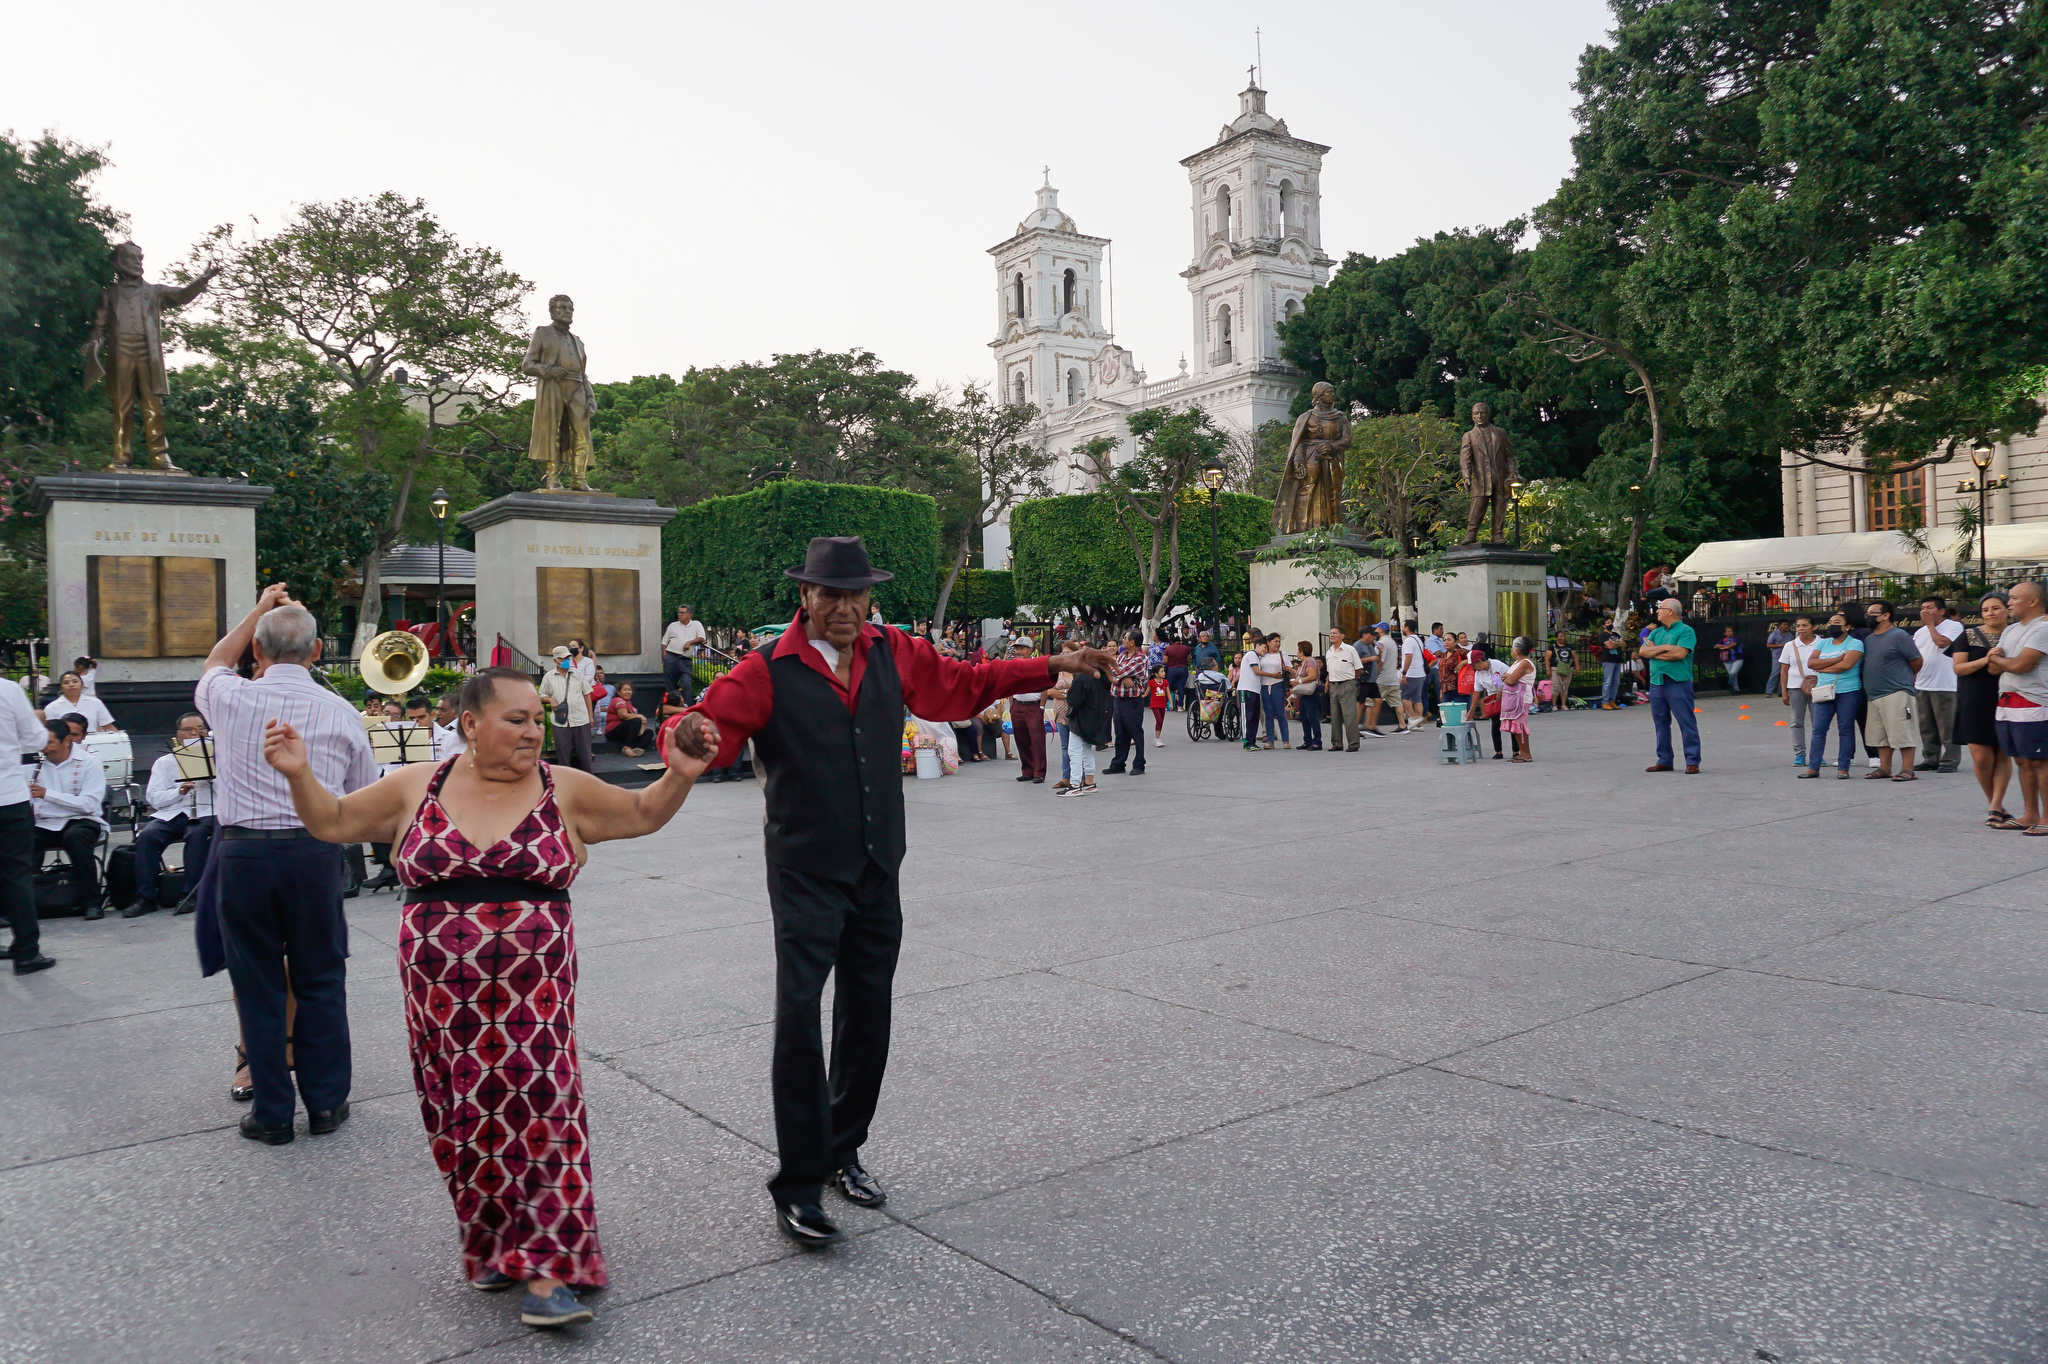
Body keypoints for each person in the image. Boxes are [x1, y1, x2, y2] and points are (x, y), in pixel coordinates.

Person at [661, 537, 1112, 1248]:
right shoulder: (765, 669)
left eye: (855, 595)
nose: (844, 608)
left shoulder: (892, 650)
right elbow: (704, 731)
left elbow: (964, 684)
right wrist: (682, 740)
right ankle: (800, 1185)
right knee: (802, 1018)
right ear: (803, 598)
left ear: (870, 597)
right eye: (829, 595)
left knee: (868, 1015)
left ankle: (845, 1151)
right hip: (806, 870)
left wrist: (1054, 662)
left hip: (877, 866)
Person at [264, 667, 719, 1330]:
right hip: (440, 997)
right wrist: (299, 773)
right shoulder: (417, 784)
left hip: (536, 992)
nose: (533, 732)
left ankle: (547, 1268)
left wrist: (677, 773)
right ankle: (489, 1241)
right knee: (462, 1113)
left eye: (537, 719)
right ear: (470, 724)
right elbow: (332, 822)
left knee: (545, 1107)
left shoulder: (562, 788)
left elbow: (644, 812)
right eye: (516, 720)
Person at [196, 584, 377, 1147]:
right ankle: (326, 1102)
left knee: (256, 980)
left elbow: (215, 663)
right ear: (319, 652)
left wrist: (258, 609)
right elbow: (362, 795)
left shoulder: (230, 697)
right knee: (321, 976)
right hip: (314, 852)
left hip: (244, 852)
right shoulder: (342, 711)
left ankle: (273, 1112)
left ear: (258, 650)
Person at [120, 711, 215, 917]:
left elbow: (229, 794)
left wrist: (211, 780)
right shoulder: (164, 762)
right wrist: (179, 791)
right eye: (188, 730)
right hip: (173, 812)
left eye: (199, 729)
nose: (193, 734)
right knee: (147, 837)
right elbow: (154, 798)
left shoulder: (218, 758)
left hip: (206, 811)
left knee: (196, 835)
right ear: (178, 735)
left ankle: (189, 894)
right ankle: (146, 896)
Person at [1987, 579, 2048, 834]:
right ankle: (2030, 813)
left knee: (2040, 762)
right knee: (2022, 761)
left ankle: (2046, 817)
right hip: (2008, 702)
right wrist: (2000, 660)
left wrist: (1999, 659)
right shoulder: (2011, 631)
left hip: (2034, 702)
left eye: (2013, 598)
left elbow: (2022, 665)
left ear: (2033, 601)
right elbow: (1992, 667)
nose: (2008, 603)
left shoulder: (2042, 628)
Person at [0, 665, 50, 973]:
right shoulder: (8, 690)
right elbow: (35, 740)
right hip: (7, 796)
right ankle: (27, 951)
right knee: (16, 874)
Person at [31, 716, 107, 919]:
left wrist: (47, 794)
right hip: (46, 822)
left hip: (83, 820)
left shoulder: (89, 763)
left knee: (75, 837)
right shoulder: (35, 764)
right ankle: (21, 904)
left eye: (49, 742)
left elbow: (89, 804)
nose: (44, 748)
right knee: (20, 840)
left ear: (67, 741)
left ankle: (91, 901)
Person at [1952, 592, 2015, 826]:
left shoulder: (2016, 634)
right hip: (1974, 700)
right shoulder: (1968, 635)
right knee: (1981, 757)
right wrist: (1986, 659)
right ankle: (1995, 803)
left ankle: (1995, 806)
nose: (1990, 613)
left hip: (2009, 698)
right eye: (1986, 609)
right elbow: (1959, 668)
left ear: (2007, 609)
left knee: (2002, 753)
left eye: (1996, 608)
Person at [1859, 600, 1921, 780]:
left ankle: (1908, 770)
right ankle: (1885, 768)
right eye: (1867, 613)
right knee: (1880, 735)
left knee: (1902, 732)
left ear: (1886, 615)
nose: (1868, 616)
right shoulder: (1869, 639)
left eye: (1873, 613)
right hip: (1874, 694)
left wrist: (1905, 680)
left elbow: (1917, 661)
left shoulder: (1899, 635)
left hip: (1897, 692)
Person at [1639, 597, 1701, 773]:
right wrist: (1666, 648)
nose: (1657, 611)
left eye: (1660, 608)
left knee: (1686, 721)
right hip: (1657, 681)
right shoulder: (1656, 632)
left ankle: (1692, 760)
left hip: (1677, 681)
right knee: (1660, 722)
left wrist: (1655, 651)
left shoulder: (1686, 631)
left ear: (1670, 611)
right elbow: (1643, 651)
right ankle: (1664, 759)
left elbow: (1680, 654)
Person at [1800, 611, 1865, 779]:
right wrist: (1836, 660)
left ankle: (1843, 768)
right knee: (1818, 729)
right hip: (1824, 691)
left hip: (1848, 691)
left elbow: (1846, 666)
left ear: (1848, 626)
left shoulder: (1855, 643)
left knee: (1845, 729)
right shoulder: (1824, 643)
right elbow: (1811, 663)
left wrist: (1822, 667)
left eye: (1837, 622)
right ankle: (1813, 767)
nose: (1832, 625)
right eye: (1830, 622)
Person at [1912, 596, 1964, 773]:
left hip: (1945, 684)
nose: (1925, 611)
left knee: (1947, 726)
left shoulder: (1953, 626)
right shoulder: (1919, 632)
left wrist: (1930, 626)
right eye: (1923, 607)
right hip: (1923, 683)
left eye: (1930, 607)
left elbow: (1942, 642)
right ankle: (1930, 758)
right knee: (1926, 726)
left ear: (1941, 611)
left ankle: (1949, 760)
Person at [539, 645, 595, 772]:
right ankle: (566, 784)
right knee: (563, 755)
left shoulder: (577, 674)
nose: (566, 660)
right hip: (560, 721)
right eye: (563, 658)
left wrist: (591, 716)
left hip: (581, 719)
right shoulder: (549, 676)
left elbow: (587, 695)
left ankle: (589, 783)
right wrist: (550, 700)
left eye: (568, 657)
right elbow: (541, 695)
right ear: (555, 660)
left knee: (585, 755)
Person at [1777, 616, 1821, 768]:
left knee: (1819, 722)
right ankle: (1799, 754)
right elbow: (1784, 670)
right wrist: (1784, 691)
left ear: (1813, 627)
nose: (1801, 628)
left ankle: (1818, 754)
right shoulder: (1790, 645)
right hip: (1795, 687)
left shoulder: (1822, 643)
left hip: (1818, 687)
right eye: (1798, 626)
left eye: (1805, 625)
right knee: (1797, 722)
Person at [1105, 630, 1151, 774]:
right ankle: (1118, 763)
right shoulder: (1122, 655)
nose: (1122, 640)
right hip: (1118, 699)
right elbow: (1115, 669)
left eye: (1125, 638)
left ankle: (1139, 764)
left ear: (1132, 642)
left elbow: (1117, 671)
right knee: (1120, 733)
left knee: (1135, 732)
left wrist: (1120, 675)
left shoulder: (1140, 658)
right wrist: (1123, 677)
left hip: (1132, 701)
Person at [1009, 637, 1048, 783]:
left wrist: (1042, 706)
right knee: (1021, 739)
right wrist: (1012, 704)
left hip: (1034, 705)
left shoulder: (1037, 665)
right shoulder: (1013, 666)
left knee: (1037, 740)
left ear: (1030, 650)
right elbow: (1009, 685)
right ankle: (1027, 770)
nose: (1019, 651)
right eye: (1017, 648)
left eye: (1022, 648)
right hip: (1018, 705)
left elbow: (1045, 687)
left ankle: (1039, 772)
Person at [1467, 645, 1509, 759]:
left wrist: (1499, 696)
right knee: (1495, 724)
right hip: (1493, 697)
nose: (1473, 668)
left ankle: (1516, 751)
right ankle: (1498, 751)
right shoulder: (1478, 674)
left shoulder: (1496, 665)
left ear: (1479, 661)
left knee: (1511, 723)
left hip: (1508, 693)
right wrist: (1471, 710)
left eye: (1473, 665)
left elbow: (1502, 683)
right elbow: (1477, 692)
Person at [1324, 627, 1362, 752]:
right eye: (1330, 633)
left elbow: (1358, 669)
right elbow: (1330, 670)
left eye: (1335, 633)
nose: (1331, 635)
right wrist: (1328, 682)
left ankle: (1353, 743)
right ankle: (1337, 743)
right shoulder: (1329, 651)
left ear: (1342, 636)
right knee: (1334, 716)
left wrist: (1351, 682)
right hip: (1333, 685)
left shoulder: (1350, 650)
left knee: (1349, 715)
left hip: (1347, 684)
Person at [1500, 637, 1537, 762]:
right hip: (1513, 698)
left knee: (1520, 726)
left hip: (1521, 699)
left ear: (1517, 649)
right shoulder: (1517, 663)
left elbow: (1510, 680)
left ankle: (1526, 754)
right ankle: (1522, 752)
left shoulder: (1525, 663)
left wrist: (1507, 676)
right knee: (1515, 727)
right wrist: (1507, 676)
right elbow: (1508, 677)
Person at [661, 604, 707, 703]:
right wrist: (665, 656)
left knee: (686, 683)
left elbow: (702, 638)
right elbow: (664, 642)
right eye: (678, 612)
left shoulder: (696, 624)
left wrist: (690, 642)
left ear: (689, 615)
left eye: (682, 612)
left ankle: (688, 706)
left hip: (685, 659)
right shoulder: (673, 625)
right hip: (671, 656)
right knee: (670, 685)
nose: (679, 614)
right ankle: (672, 707)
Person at [43, 671, 117, 732]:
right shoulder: (52, 707)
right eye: (66, 683)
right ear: (61, 688)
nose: (71, 685)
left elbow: (108, 726)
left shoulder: (95, 703)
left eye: (75, 681)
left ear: (82, 685)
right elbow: (51, 732)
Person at [1256, 633, 1291, 750]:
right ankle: (1270, 741)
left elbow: (1290, 668)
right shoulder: (1261, 655)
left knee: (1281, 713)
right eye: (1275, 641)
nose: (1278, 644)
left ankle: (1286, 740)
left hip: (1278, 685)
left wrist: (1290, 669)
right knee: (1268, 714)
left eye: (1279, 641)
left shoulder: (1282, 655)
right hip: (1265, 686)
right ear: (1269, 642)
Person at [1366, 624, 1400, 737]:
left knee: (1372, 701)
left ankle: (1370, 726)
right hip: (1393, 677)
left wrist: (1374, 675)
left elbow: (1379, 661)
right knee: (1397, 702)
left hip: (1382, 677)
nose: (1375, 630)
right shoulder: (1392, 642)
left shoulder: (1381, 643)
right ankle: (1403, 725)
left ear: (1381, 630)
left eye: (1376, 628)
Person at [604, 682, 653, 756]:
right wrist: (640, 716)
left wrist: (642, 724)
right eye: (625, 690)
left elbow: (640, 728)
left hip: (625, 732)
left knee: (649, 732)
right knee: (636, 720)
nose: (628, 692)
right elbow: (623, 715)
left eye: (629, 690)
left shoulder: (628, 703)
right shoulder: (618, 700)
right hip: (613, 732)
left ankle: (638, 749)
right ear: (619, 692)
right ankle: (627, 747)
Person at [1291, 641, 1323, 751]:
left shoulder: (1310, 661)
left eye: (1298, 650)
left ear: (1302, 651)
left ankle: (1317, 742)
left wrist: (1299, 681)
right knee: (1304, 717)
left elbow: (1312, 676)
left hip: (1311, 692)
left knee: (1312, 717)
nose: (1297, 652)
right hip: (1304, 693)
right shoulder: (1304, 662)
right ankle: (1307, 741)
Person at [1396, 626, 1428, 732]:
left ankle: (1414, 718)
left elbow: (1408, 657)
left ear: (1407, 628)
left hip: (1411, 673)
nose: (1402, 629)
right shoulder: (1418, 640)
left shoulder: (1408, 641)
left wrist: (1404, 673)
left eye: (1403, 627)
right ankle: (1418, 724)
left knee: (1404, 696)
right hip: (1420, 672)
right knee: (1417, 698)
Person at [1236, 643, 1264, 752]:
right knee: (1247, 716)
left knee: (1254, 717)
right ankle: (1246, 742)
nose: (1265, 650)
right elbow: (1256, 671)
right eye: (1264, 647)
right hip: (1246, 689)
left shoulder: (1258, 657)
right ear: (1257, 645)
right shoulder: (1251, 654)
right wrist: (1273, 675)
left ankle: (1252, 741)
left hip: (1255, 690)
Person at [1542, 636, 1575, 712]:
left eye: (1563, 636)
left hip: (1567, 668)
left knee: (1565, 687)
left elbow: (1574, 657)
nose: (1562, 638)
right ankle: (1554, 705)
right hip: (1555, 668)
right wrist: (1548, 669)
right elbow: (1547, 658)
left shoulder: (1569, 646)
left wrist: (1577, 666)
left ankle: (1563, 705)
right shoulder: (1552, 647)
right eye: (1560, 636)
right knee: (1555, 686)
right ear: (1556, 637)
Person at [432, 693, 467, 761]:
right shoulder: (436, 726)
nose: (437, 713)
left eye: (443, 710)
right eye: (437, 709)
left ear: (456, 713)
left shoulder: (462, 730)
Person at [1597, 628, 1627, 709]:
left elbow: (1624, 644)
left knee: (1616, 682)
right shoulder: (1603, 635)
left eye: (1610, 622)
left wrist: (1614, 644)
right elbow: (1610, 646)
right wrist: (1617, 643)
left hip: (1617, 660)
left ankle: (1612, 701)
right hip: (1608, 660)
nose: (1610, 624)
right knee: (1608, 681)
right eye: (1607, 622)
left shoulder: (1615, 634)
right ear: (1603, 625)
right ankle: (1605, 702)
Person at [1162, 634, 1192, 710]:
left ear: (1172, 641)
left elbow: (1165, 661)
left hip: (1171, 670)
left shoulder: (1168, 648)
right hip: (1183, 669)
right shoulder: (1186, 648)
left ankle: (1168, 705)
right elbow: (1189, 659)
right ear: (1180, 641)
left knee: (1168, 687)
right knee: (1181, 688)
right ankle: (1180, 706)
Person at [1764, 622, 1789, 696]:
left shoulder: (1789, 634)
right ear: (1779, 626)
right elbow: (1768, 645)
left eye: (1787, 625)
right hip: (1777, 656)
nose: (1785, 626)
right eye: (1784, 624)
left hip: (1787, 656)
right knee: (1775, 674)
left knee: (1784, 674)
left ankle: (1781, 692)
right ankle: (1769, 692)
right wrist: (1780, 645)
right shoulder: (1774, 634)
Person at [1715, 627, 1743, 693]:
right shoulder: (1723, 640)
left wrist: (1724, 647)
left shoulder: (1736, 638)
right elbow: (1716, 646)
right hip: (1727, 659)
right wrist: (1723, 646)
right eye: (1727, 631)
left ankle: (1729, 683)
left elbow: (1733, 645)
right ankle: (1736, 690)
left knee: (1732, 673)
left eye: (1730, 631)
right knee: (1734, 675)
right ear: (1725, 633)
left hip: (1737, 659)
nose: (1729, 632)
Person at [1148, 665, 1171, 746]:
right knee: (1159, 720)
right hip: (1154, 705)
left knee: (1161, 721)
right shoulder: (1151, 682)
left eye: (1164, 671)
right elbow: (1146, 693)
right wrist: (1141, 696)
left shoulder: (1165, 682)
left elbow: (1168, 693)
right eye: (1161, 671)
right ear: (1156, 674)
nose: (1164, 673)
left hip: (1163, 705)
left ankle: (1158, 738)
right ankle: (1157, 739)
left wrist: (1171, 703)